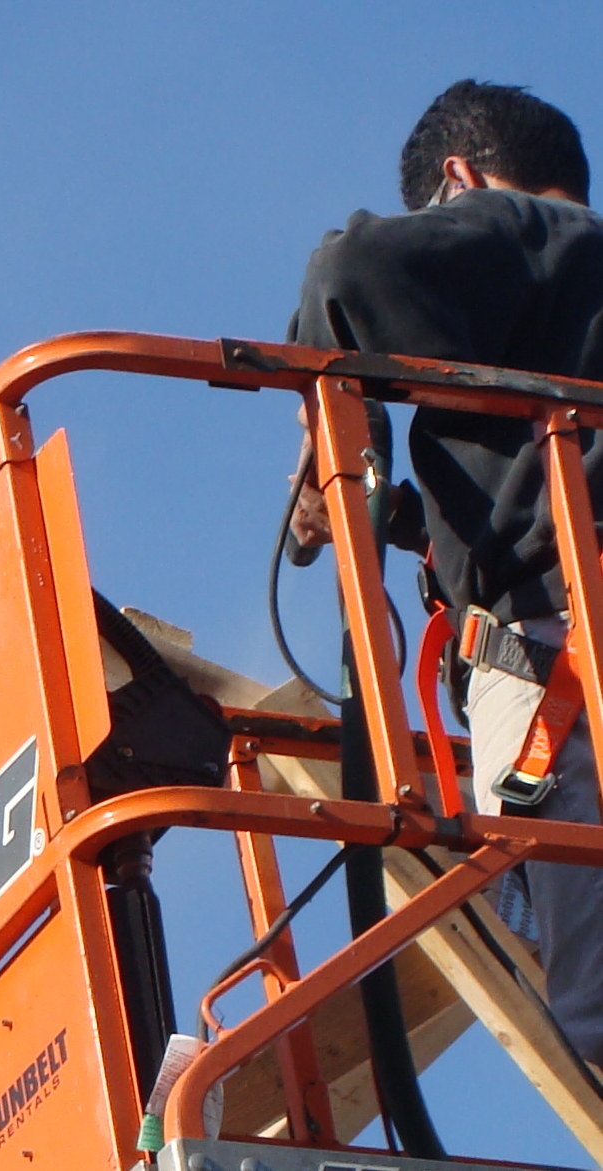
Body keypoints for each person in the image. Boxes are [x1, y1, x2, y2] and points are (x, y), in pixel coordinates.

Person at [287, 79, 603, 1064]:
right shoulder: (570, 323)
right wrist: (394, 512)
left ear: (461, 182)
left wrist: (348, 412)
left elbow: (350, 272)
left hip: (567, 677)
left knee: (595, 1010)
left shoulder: (526, 232)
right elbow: (530, 502)